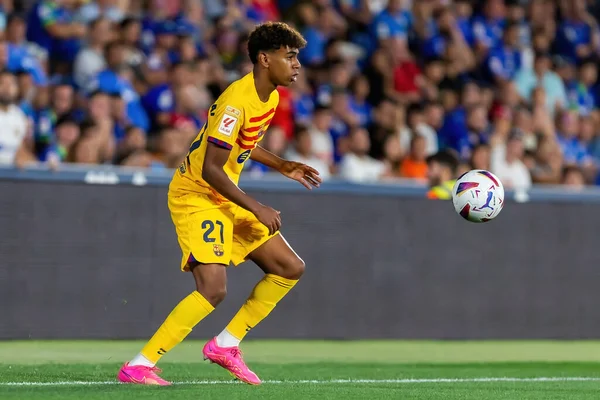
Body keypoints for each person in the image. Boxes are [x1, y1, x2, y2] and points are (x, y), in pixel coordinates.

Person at [117, 22, 320, 387]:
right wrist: (256, 206)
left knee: (289, 267)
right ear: (264, 58)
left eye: (296, 58)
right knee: (213, 288)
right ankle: (139, 365)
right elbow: (212, 168)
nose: (296, 65)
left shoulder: (269, 96)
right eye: (289, 57)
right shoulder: (235, 101)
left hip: (224, 194)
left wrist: (282, 164)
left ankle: (226, 344)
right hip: (197, 194)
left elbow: (242, 144)